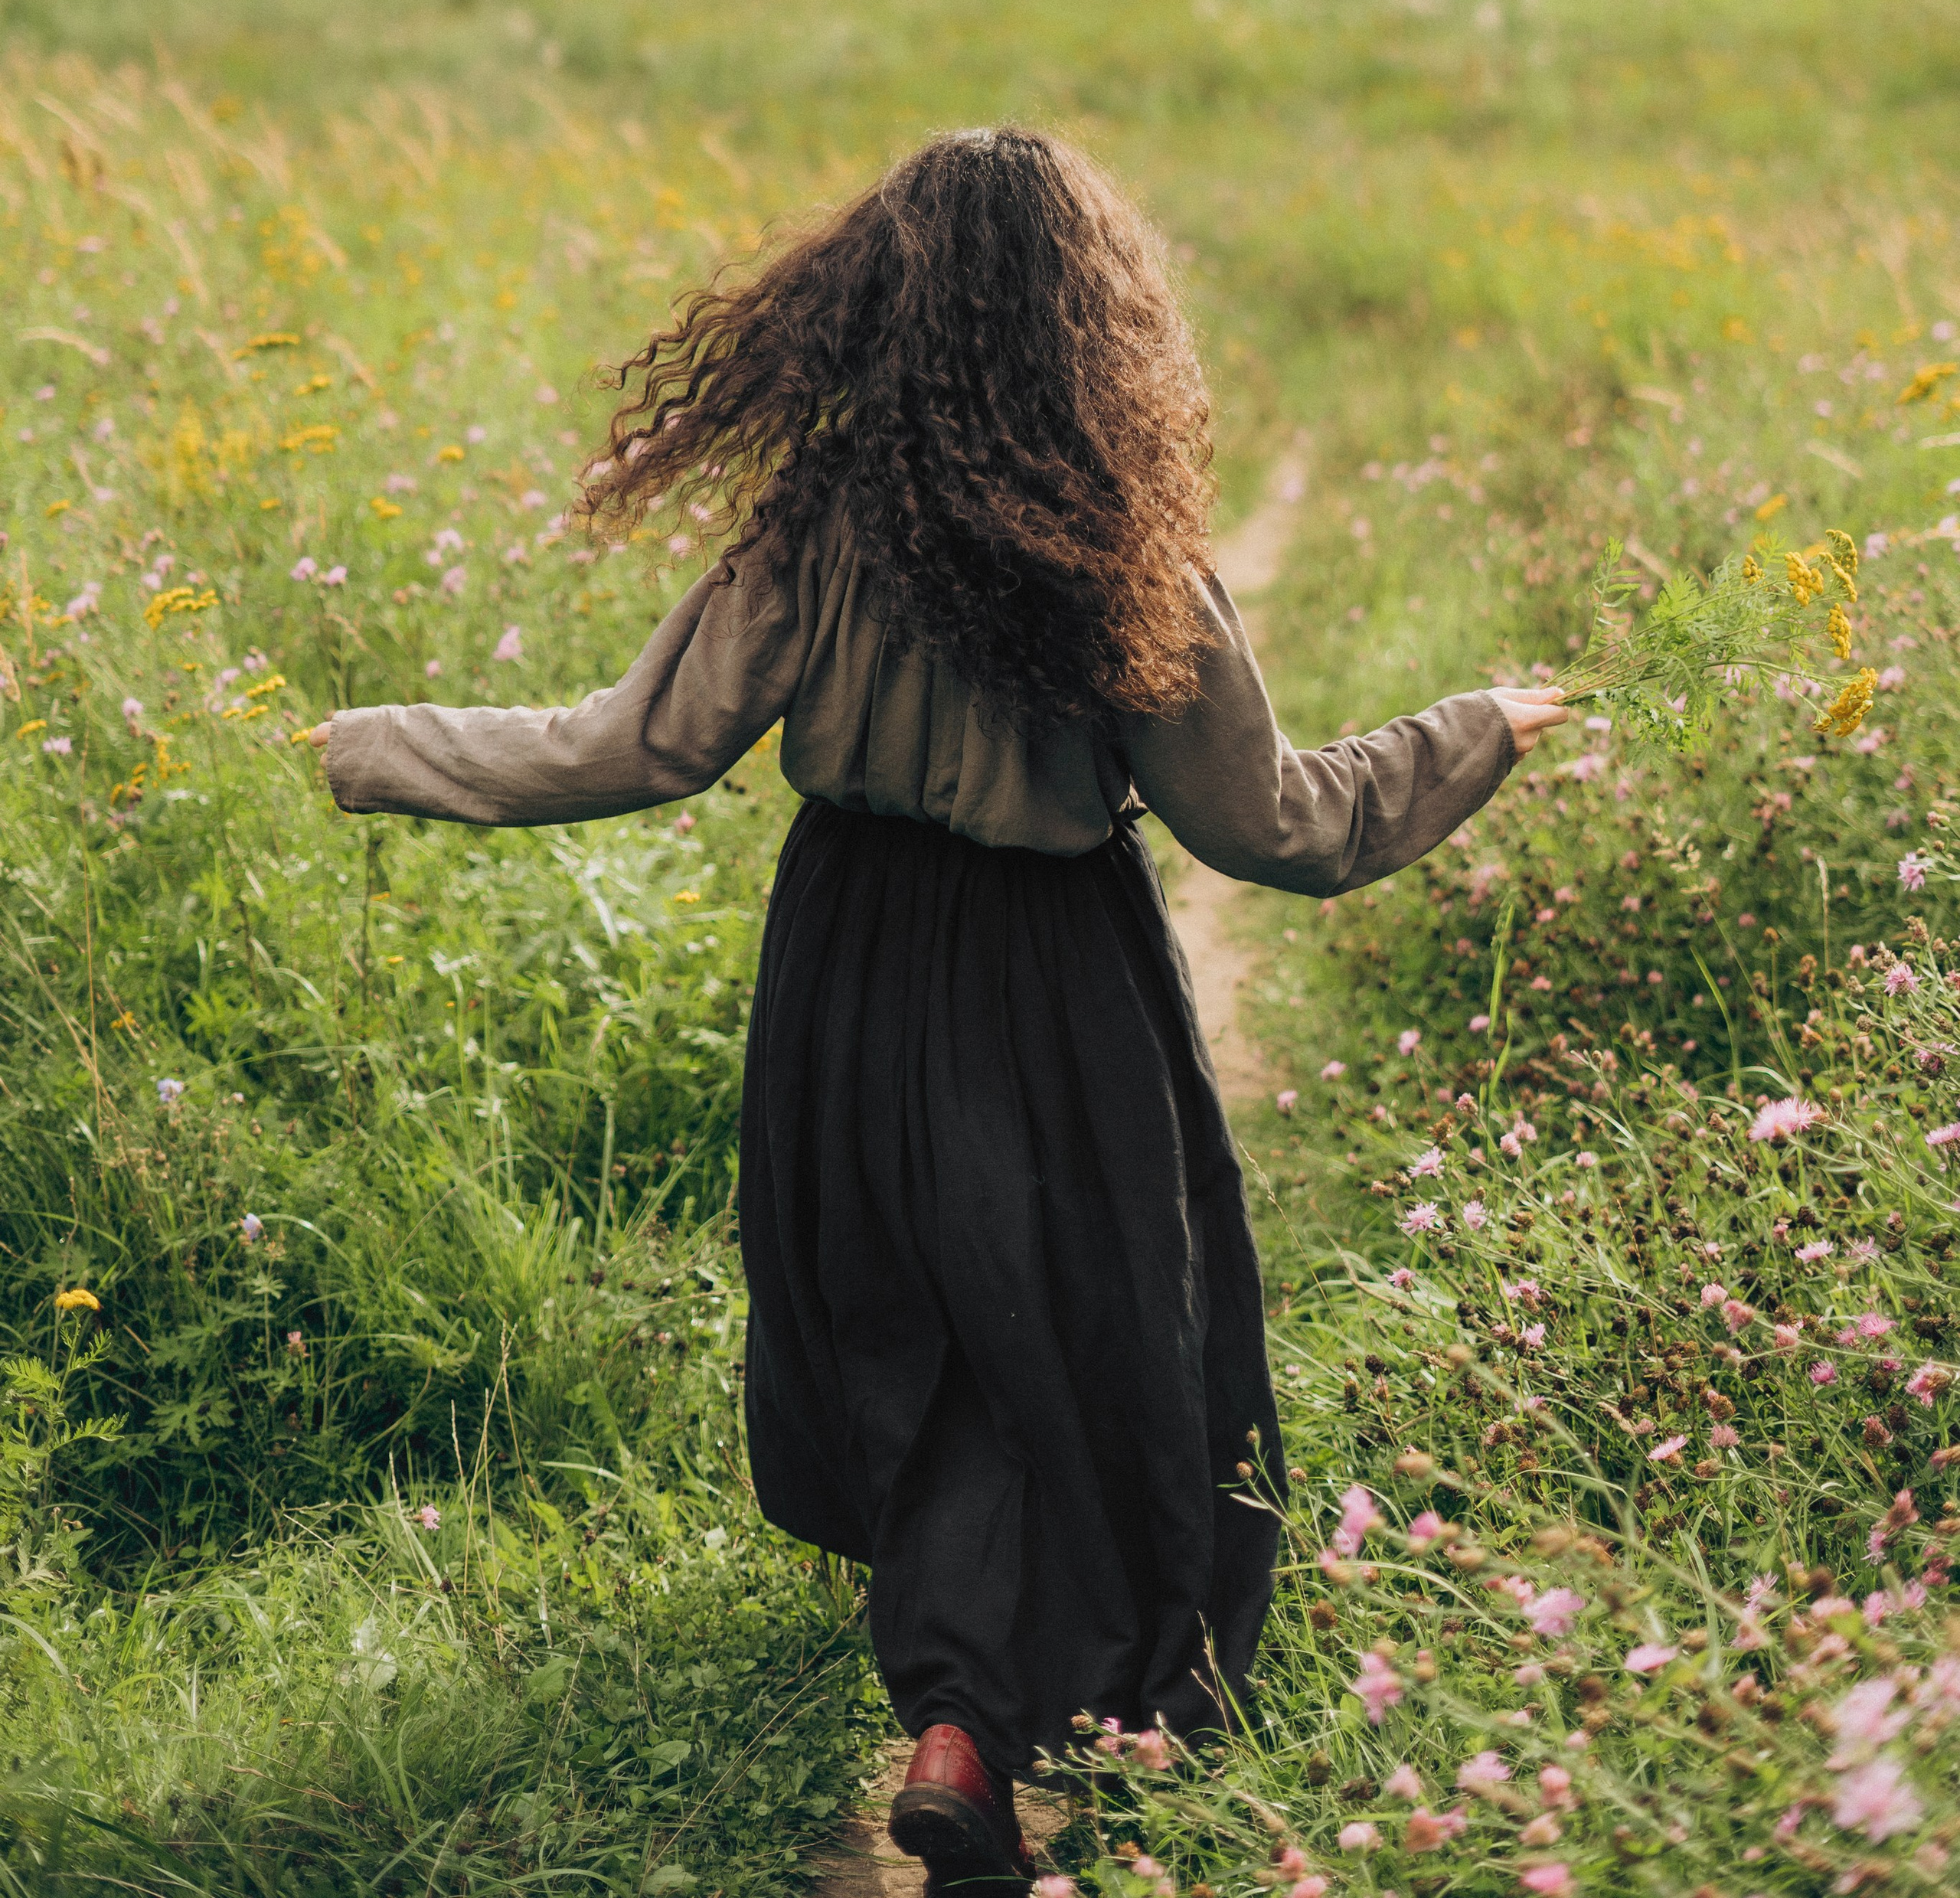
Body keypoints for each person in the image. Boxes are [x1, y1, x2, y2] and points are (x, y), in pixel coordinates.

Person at [313, 129, 1566, 1890]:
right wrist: (1475, 730)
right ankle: (1067, 1720)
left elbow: (629, 749)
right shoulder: (1126, 564)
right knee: (1083, 1332)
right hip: (1060, 986)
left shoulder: (812, 536)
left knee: (914, 1333)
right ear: (1092, 328)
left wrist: (362, 747)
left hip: (850, 967)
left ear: (868, 313)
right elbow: (1275, 824)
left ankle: (959, 1728)